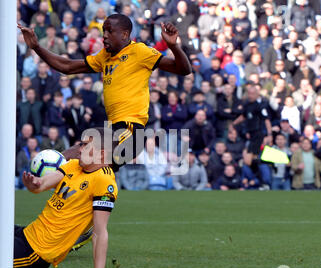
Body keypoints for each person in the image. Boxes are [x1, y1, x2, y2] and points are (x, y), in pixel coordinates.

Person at [0, 127, 125, 268]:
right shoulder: (74, 166)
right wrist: (34, 184)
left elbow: (100, 232)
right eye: (81, 144)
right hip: (26, 233)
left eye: (86, 145)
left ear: (102, 153)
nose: (79, 149)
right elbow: (42, 184)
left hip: (34, 254)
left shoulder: (104, 181)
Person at [18, 13, 191, 169]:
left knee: (89, 160)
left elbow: (183, 69)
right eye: (103, 31)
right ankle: (52, 174)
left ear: (124, 34)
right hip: (115, 129)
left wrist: (174, 46)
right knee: (80, 154)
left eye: (109, 31)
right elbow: (67, 66)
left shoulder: (139, 51)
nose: (104, 36)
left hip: (131, 132)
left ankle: (48, 175)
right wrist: (36, 47)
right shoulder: (104, 56)